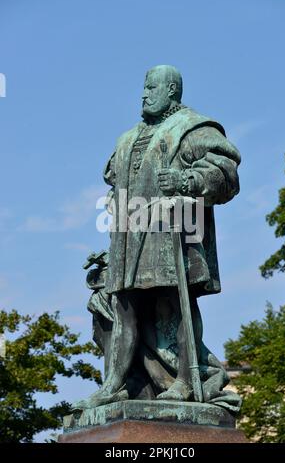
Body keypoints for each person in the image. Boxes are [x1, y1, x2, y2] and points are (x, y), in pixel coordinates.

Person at [72, 65, 241, 410]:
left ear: (173, 92)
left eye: (152, 87)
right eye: (144, 87)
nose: (144, 93)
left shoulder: (192, 128)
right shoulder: (127, 138)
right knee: (124, 308)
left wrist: (186, 182)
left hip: (172, 234)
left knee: (174, 305)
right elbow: (116, 186)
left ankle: (183, 380)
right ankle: (115, 384)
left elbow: (226, 173)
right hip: (128, 239)